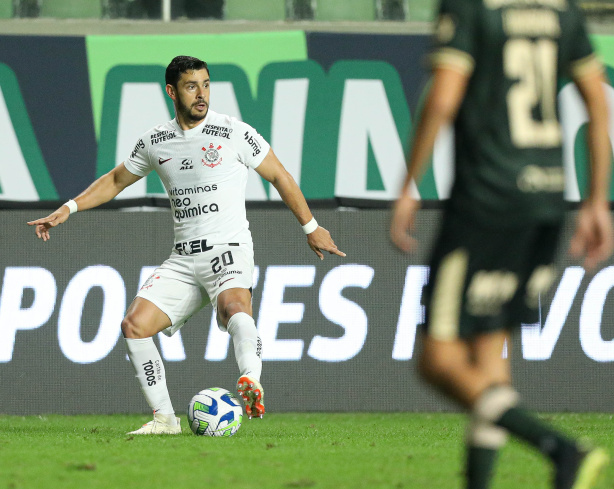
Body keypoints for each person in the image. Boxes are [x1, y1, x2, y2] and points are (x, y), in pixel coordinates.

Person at [29, 55, 345, 434]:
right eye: (191, 86)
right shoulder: (155, 141)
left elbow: (278, 174)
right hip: (183, 259)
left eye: (206, 84)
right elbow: (115, 180)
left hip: (228, 249)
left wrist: (310, 226)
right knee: (133, 326)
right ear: (171, 91)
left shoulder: (234, 132)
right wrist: (69, 207)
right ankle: (165, 419)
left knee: (233, 308)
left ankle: (251, 379)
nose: (202, 94)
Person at [390, 1, 612, 488]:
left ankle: (561, 448)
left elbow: (444, 97)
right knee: (490, 361)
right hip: (548, 204)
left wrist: (409, 182)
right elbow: (599, 103)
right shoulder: (562, 11)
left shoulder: (470, 7)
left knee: (438, 360)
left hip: (487, 203)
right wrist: (596, 200)